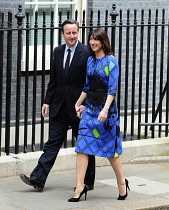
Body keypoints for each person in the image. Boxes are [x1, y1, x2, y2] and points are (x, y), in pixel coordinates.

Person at [20, 19, 95, 192]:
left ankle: (88, 181)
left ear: (78, 33)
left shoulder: (86, 52)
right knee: (52, 143)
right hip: (59, 106)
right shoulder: (58, 51)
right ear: (63, 34)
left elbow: (90, 82)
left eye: (74, 32)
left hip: (79, 109)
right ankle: (38, 178)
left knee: (85, 145)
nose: (71, 36)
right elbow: (54, 80)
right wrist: (47, 101)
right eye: (68, 33)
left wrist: (86, 104)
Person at [68, 28, 130, 202]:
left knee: (110, 150)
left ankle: (121, 183)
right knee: (82, 146)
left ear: (103, 41)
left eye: (96, 39)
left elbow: (112, 89)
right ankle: (79, 186)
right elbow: (87, 86)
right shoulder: (89, 61)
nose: (92, 43)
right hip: (89, 110)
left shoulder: (111, 61)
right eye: (90, 39)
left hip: (106, 112)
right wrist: (78, 103)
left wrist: (104, 110)